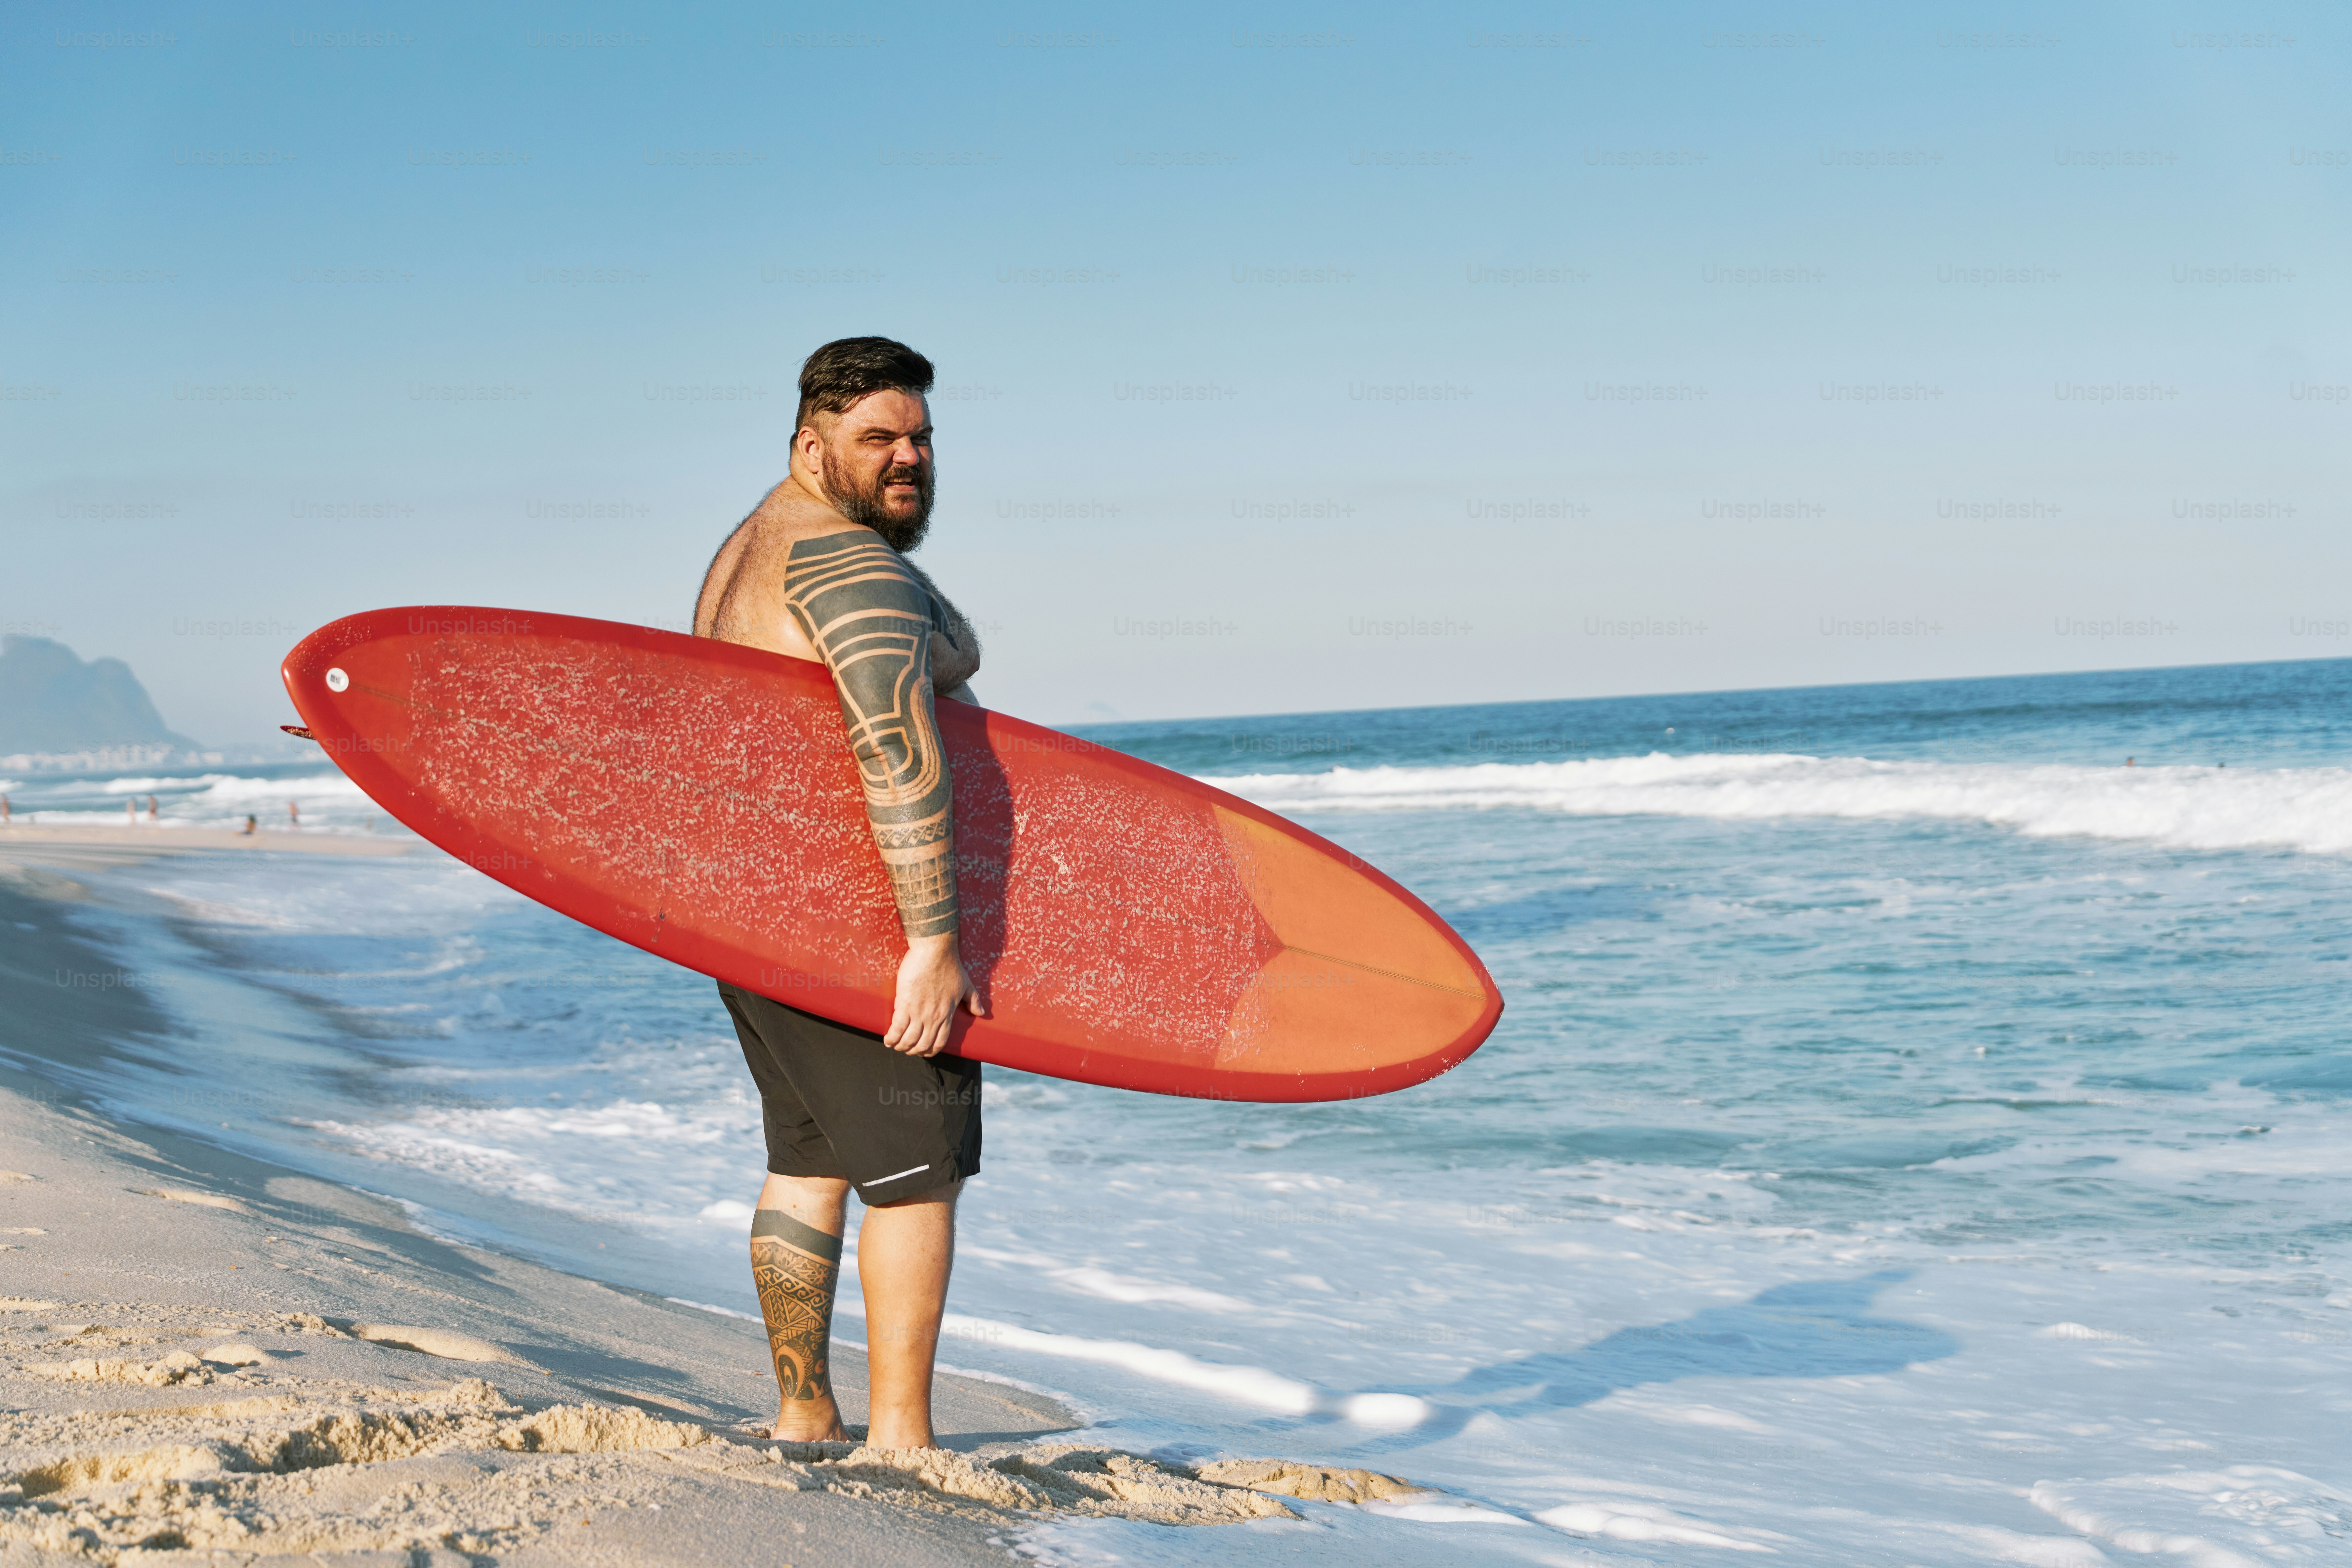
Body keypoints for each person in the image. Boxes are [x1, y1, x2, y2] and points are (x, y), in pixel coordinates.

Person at [693, 337, 986, 1449]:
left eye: (919, 438)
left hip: (753, 919)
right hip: (852, 927)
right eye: (879, 440)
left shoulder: (751, 548)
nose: (908, 458)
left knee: (808, 1161)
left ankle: (803, 1412)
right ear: (813, 443)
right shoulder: (853, 570)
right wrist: (934, 944)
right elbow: (896, 748)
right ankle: (902, 1438)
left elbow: (942, 646)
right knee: (917, 1176)